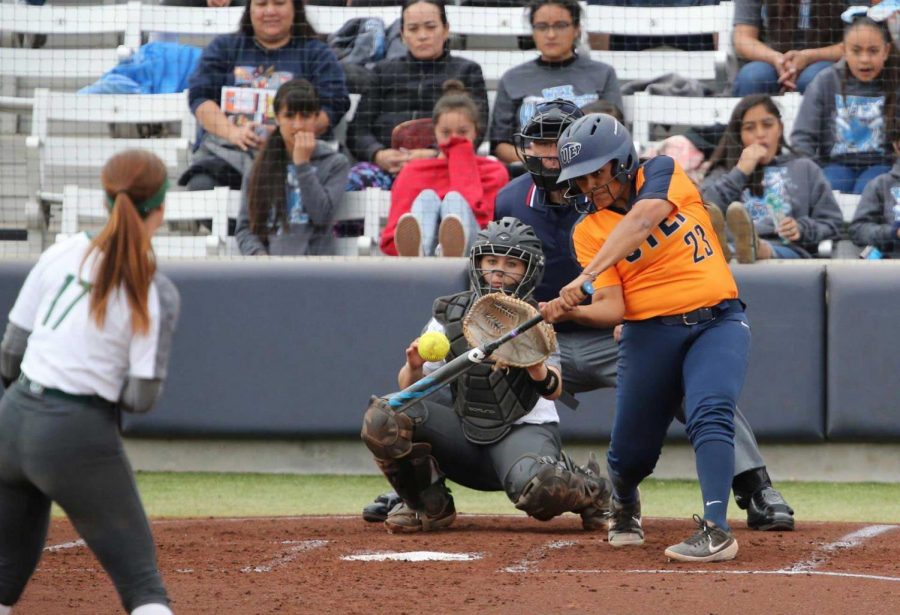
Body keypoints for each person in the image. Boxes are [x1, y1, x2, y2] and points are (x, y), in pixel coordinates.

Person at [363, 101, 796, 533]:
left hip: (608, 329)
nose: (550, 155)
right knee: (462, 366)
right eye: (540, 143)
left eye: (558, 144)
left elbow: (635, 252)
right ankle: (416, 485)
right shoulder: (512, 196)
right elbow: (487, 274)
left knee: (690, 382)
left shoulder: (611, 187)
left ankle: (755, 485)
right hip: (530, 337)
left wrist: (605, 305)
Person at [544, 113, 749, 562]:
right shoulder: (588, 230)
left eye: (596, 173)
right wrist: (569, 310)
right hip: (648, 332)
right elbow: (614, 308)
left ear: (621, 162)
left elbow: (642, 219)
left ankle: (716, 528)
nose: (588, 187)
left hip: (718, 320)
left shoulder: (661, 172)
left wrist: (586, 276)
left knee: (710, 411)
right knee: (631, 453)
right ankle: (624, 497)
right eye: (579, 179)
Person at [0, 150, 181, 614]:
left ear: (106, 200)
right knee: (143, 588)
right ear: (161, 207)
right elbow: (141, 397)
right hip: (75, 430)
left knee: (2, 580)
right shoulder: (153, 285)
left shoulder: (59, 250)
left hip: (12, 419)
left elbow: (11, 353)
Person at [361, 217, 613, 534]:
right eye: (490, 261)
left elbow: (553, 389)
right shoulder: (450, 315)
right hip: (462, 435)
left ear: (529, 271)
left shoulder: (536, 318)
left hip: (522, 435)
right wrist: (413, 366)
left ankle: (595, 489)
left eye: (511, 263)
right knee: (382, 417)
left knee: (540, 488)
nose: (498, 271)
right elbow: (410, 390)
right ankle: (427, 503)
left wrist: (535, 365)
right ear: (477, 263)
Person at [183, 0, 350, 191]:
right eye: (261, 4)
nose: (270, 11)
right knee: (201, 186)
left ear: (295, 8)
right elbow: (200, 98)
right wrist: (233, 133)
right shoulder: (223, 47)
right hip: (228, 154)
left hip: (296, 157)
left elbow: (335, 104)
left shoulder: (317, 53)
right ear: (250, 10)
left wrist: (286, 135)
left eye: (279, 3)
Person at [347, 0, 489, 188]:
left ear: (446, 30)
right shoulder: (382, 71)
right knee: (353, 179)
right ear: (402, 34)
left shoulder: (467, 71)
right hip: (388, 169)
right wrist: (378, 154)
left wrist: (433, 153)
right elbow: (357, 131)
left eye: (430, 27)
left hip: (443, 165)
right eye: (413, 29)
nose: (422, 36)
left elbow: (477, 129)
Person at [702, 94, 842, 263]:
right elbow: (701, 211)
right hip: (731, 253)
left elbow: (832, 224)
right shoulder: (724, 172)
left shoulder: (804, 168)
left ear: (780, 128)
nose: (760, 134)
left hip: (786, 252)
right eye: (749, 128)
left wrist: (802, 228)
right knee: (727, 247)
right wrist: (740, 172)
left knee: (760, 249)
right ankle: (732, 250)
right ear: (738, 135)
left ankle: (754, 249)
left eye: (767, 125)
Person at [379, 81, 508, 256]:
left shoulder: (493, 171)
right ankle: (418, 254)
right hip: (425, 254)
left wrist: (460, 159)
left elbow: (490, 225)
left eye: (462, 132)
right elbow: (393, 230)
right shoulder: (413, 170)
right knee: (427, 198)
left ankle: (450, 253)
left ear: (476, 132)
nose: (454, 139)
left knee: (454, 199)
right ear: (435, 132)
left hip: (475, 250)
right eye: (446, 133)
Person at [489, 0, 622, 165]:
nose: (551, 34)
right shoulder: (512, 79)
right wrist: (541, 158)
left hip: (588, 169)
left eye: (560, 25)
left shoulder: (603, 74)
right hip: (531, 171)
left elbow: (615, 132)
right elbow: (499, 145)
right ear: (533, 31)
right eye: (542, 26)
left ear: (577, 29)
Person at [235, 79, 351, 256]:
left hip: (316, 270)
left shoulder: (335, 163)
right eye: (289, 116)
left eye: (305, 116)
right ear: (277, 118)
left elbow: (321, 216)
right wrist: (259, 256)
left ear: (316, 118)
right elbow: (245, 228)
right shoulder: (258, 166)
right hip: (269, 271)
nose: (297, 125)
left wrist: (302, 165)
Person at [790, 13, 899, 194]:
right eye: (856, 51)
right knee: (829, 186)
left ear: (886, 51)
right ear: (844, 51)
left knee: (870, 189)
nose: (864, 59)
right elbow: (803, 138)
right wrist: (806, 175)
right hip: (835, 164)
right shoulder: (825, 81)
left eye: (873, 51)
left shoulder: (895, 82)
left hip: (881, 165)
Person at [731, 0, 845, 96]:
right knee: (753, 77)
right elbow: (743, 39)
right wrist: (777, 59)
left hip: (825, 58)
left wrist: (809, 56)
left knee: (817, 78)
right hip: (769, 58)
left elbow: (857, 42)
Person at [849, 135, 900, 257]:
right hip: (891, 266)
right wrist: (893, 232)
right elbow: (858, 230)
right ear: (896, 145)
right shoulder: (880, 185)